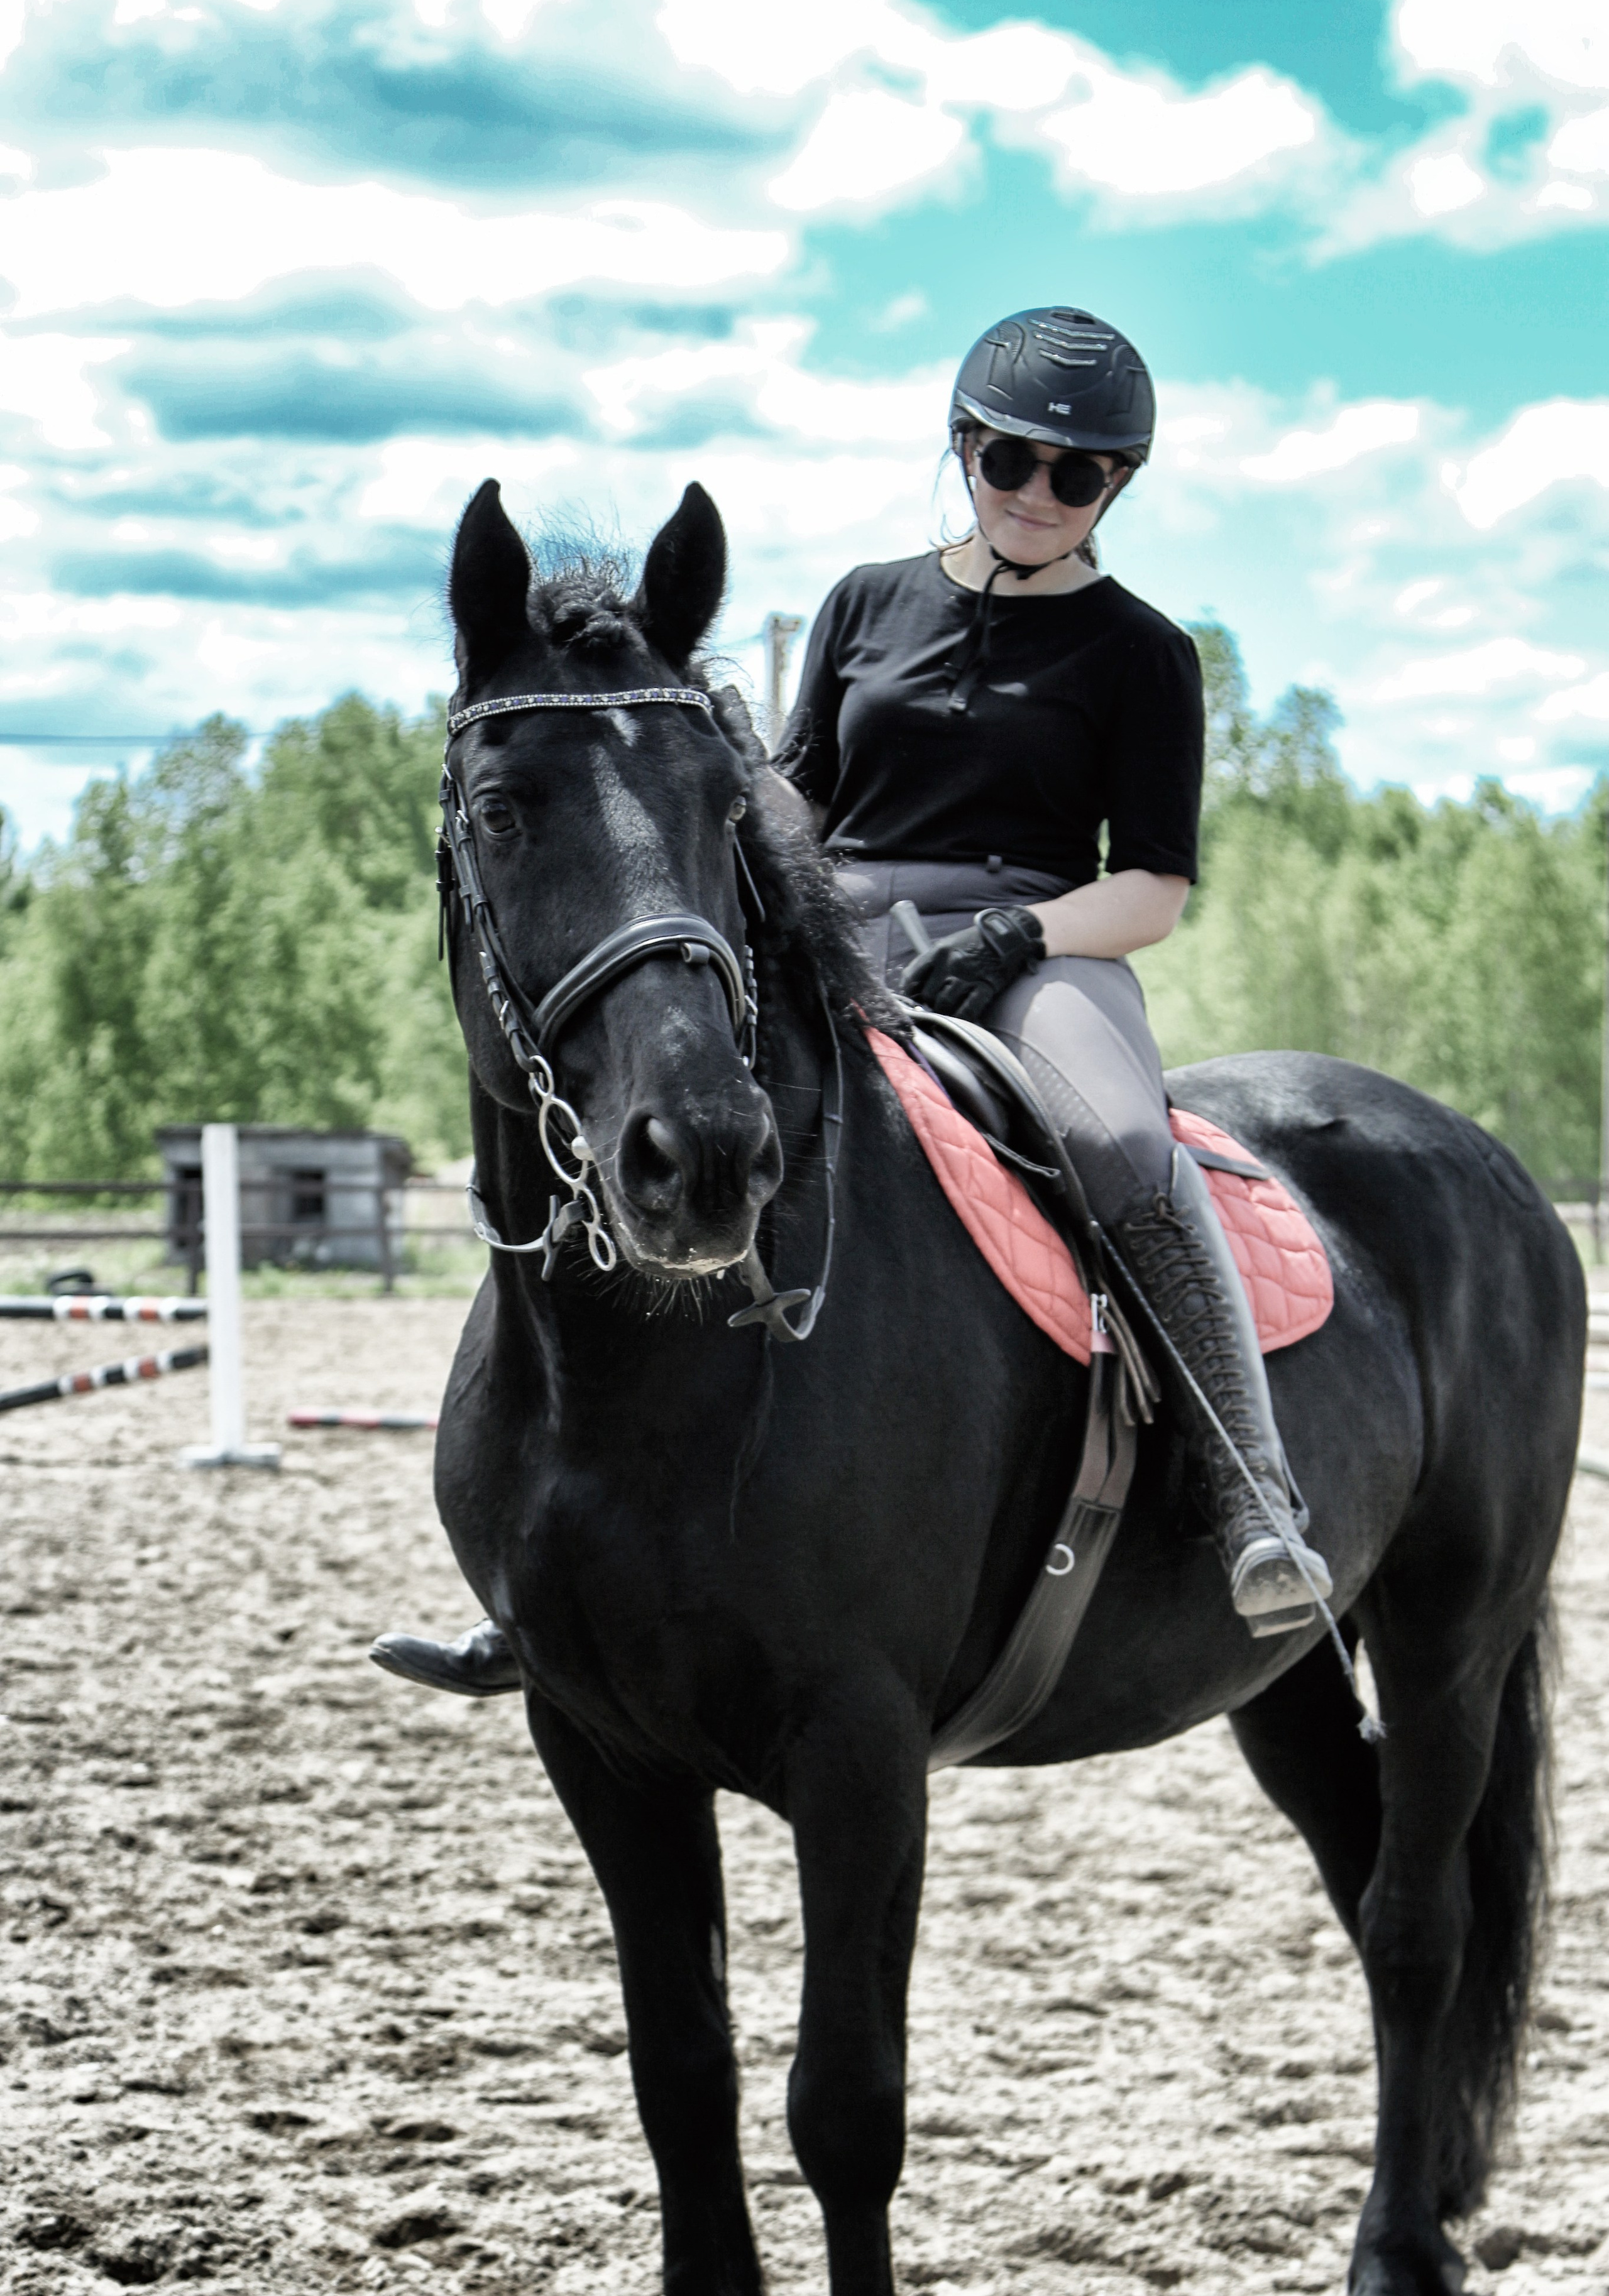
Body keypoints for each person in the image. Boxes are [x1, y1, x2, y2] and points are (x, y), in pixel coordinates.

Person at [373, 305, 1329, 1700]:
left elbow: (1156, 891)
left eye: (1078, 476)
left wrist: (1015, 934)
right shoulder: (866, 601)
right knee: (652, 1101)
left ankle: (1248, 1490)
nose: (1036, 494)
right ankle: (552, 1565)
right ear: (961, 446)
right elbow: (800, 794)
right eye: (1010, 459)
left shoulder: (1141, 652)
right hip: (836, 915)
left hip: (1046, 946)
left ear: (1116, 488)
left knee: (1123, 1145)